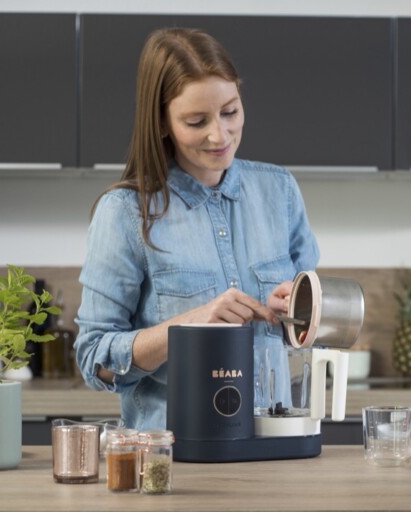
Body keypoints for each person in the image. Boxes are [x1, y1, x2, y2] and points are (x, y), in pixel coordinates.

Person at [74, 27, 319, 431]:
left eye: (230, 111)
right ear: (163, 122)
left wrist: (295, 315)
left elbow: (313, 335)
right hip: (172, 461)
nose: (219, 135)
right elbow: (93, 359)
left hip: (275, 450)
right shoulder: (124, 213)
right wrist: (187, 328)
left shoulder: (279, 191)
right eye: (196, 120)